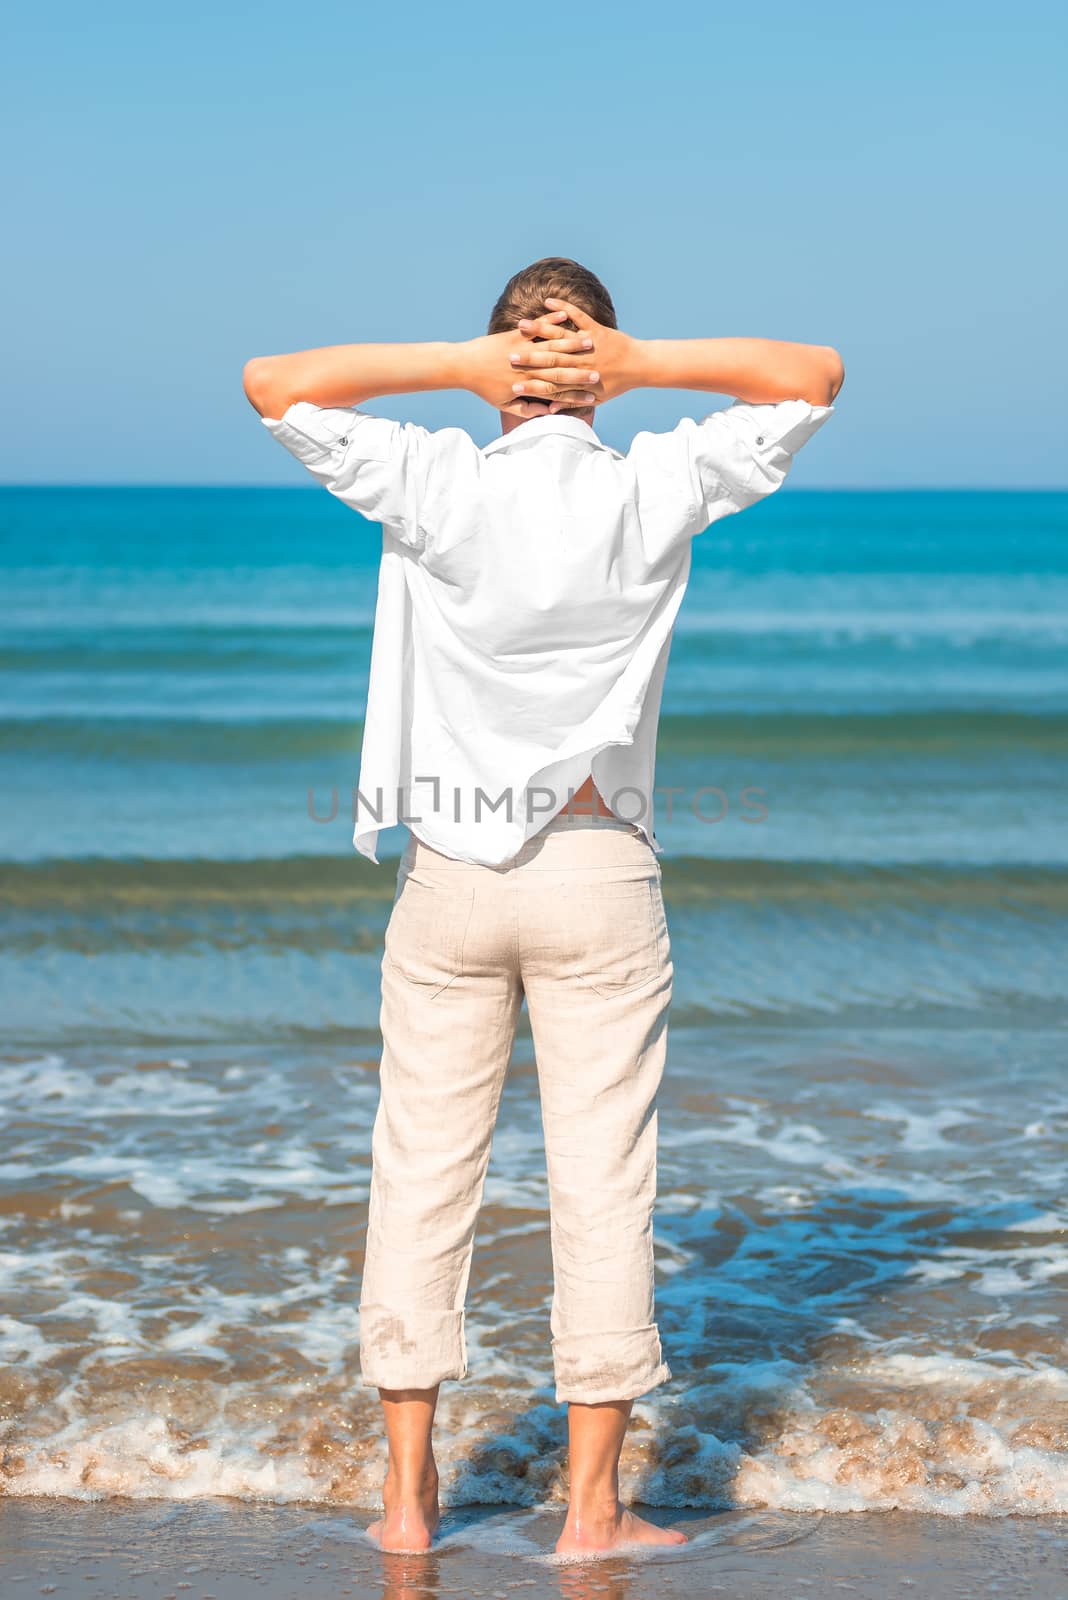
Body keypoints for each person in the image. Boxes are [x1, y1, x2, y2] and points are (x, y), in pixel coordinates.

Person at [243, 257, 843, 1555]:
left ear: (500, 363)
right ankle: (588, 1516)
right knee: (603, 1189)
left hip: (449, 880)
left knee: (419, 1175)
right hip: (595, 872)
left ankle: (407, 1505)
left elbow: (273, 385)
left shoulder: (434, 477)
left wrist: (455, 367)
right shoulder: (647, 482)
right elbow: (815, 376)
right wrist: (637, 365)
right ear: (597, 370)